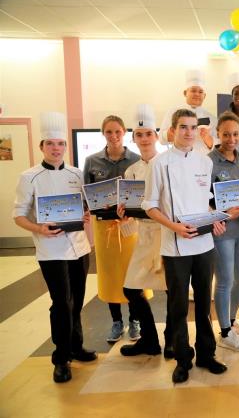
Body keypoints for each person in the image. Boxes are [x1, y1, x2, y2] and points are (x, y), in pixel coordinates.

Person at [142, 108, 227, 383]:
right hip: (175, 246)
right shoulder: (160, 163)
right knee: (178, 306)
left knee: (204, 303)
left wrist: (215, 219)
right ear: (173, 131)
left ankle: (206, 354)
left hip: (204, 244)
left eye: (193, 127)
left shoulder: (205, 162)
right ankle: (182, 359)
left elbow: (207, 200)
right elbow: (149, 205)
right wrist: (174, 227)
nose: (189, 132)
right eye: (183, 127)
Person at [13, 112, 96, 383]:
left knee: (77, 302)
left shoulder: (76, 173)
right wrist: (39, 228)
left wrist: (85, 214)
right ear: (42, 147)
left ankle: (76, 346)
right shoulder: (30, 177)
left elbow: (85, 206)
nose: (56, 148)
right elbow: (19, 215)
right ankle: (61, 359)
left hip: (79, 248)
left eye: (60, 144)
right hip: (51, 250)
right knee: (61, 303)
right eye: (50, 144)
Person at [117, 104, 173, 358]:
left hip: (167, 235)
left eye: (148, 134)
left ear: (157, 136)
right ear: (133, 138)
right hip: (145, 237)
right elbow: (131, 210)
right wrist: (123, 217)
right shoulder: (131, 171)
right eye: (139, 135)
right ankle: (149, 340)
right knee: (130, 288)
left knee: (174, 289)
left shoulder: (169, 164)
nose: (144, 139)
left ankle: (173, 339)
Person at [84, 114, 145, 343]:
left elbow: (143, 191)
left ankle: (135, 321)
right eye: (109, 132)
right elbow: (87, 192)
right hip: (104, 228)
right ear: (103, 134)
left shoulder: (136, 159)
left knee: (133, 273)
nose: (114, 136)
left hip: (130, 225)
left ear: (124, 133)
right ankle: (116, 322)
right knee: (111, 275)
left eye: (117, 131)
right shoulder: (92, 161)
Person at [209, 111, 239, 352]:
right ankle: (225, 332)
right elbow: (203, 199)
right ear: (218, 134)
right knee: (225, 280)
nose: (231, 138)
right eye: (226, 134)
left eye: (235, 134)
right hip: (223, 230)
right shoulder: (209, 161)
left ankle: (232, 321)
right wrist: (222, 214)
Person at [159, 69, 215, 155]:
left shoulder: (212, 118)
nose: (197, 94)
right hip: (178, 159)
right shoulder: (173, 112)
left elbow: (217, 146)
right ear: (185, 93)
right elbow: (162, 139)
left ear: (204, 96)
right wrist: (174, 133)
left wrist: (207, 138)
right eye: (193, 91)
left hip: (202, 162)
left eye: (200, 92)